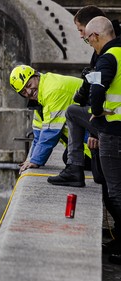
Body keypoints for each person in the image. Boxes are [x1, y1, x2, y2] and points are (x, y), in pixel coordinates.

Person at [48, 6, 120, 187]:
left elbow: (96, 88)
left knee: (114, 191)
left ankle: (74, 169)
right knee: (102, 180)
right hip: (112, 123)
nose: (81, 36)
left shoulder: (106, 54)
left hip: (112, 125)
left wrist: (97, 122)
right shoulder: (113, 47)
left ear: (93, 32)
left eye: (82, 31)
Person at [83, 16, 121, 252]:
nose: (91, 46)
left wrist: (96, 113)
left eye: (88, 41)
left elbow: (97, 90)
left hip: (113, 131)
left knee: (114, 191)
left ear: (95, 36)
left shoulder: (108, 58)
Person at [10, 65, 86, 176]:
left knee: (74, 161)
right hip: (87, 132)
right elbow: (38, 134)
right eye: (23, 92)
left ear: (36, 75)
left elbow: (50, 133)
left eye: (29, 85)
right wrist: (30, 159)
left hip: (96, 135)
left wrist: (35, 161)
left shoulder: (52, 91)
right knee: (69, 158)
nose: (29, 92)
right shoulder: (40, 97)